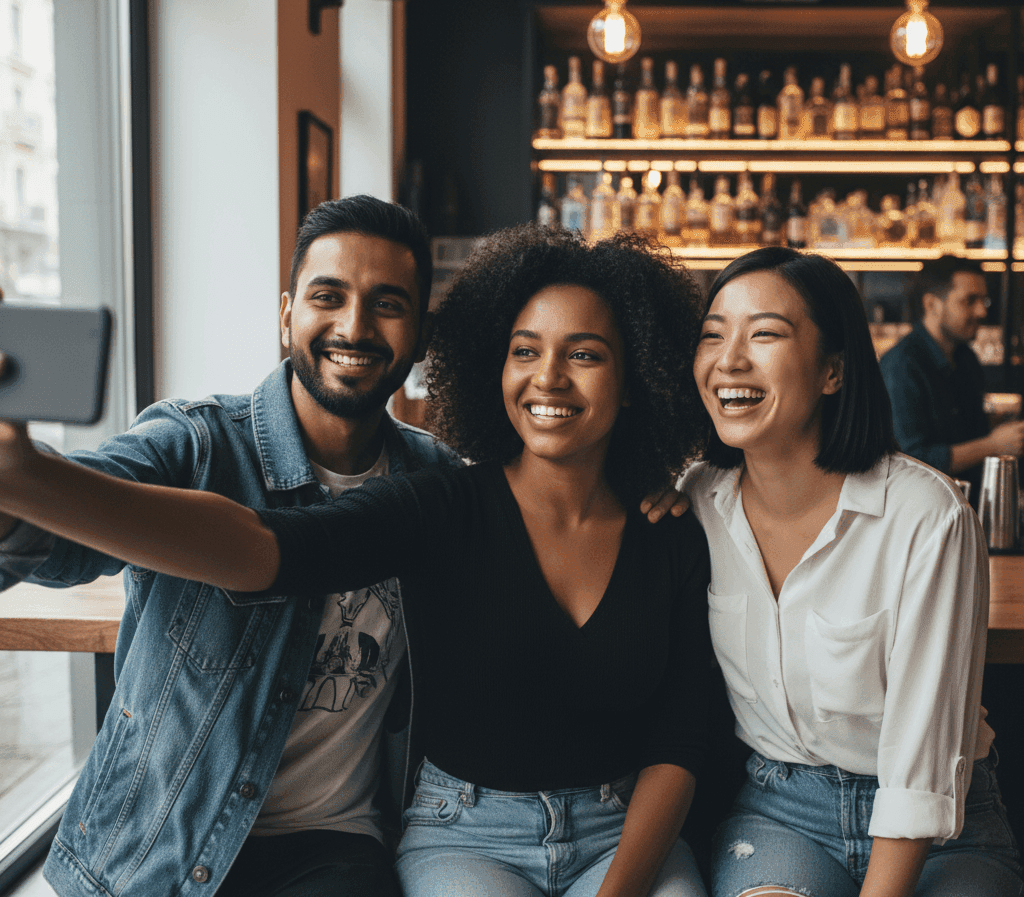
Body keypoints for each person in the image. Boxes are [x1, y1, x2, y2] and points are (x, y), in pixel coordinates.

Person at [0, 226, 713, 897]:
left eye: (584, 354)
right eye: (525, 351)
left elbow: (680, 737)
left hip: (537, 836)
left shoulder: (656, 525)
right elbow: (265, 548)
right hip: (283, 840)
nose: (549, 378)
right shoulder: (419, 497)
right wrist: (29, 478)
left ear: (639, 375)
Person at [0, 196, 462, 897]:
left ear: (421, 333)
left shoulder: (436, 483)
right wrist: (17, 483)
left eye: (387, 304)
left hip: (335, 846)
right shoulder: (197, 442)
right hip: (157, 846)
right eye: (327, 297)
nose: (354, 326)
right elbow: (64, 534)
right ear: (287, 315)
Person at [682, 246, 1021, 897]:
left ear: (834, 371)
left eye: (766, 334)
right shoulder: (696, 501)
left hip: (948, 824)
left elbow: (920, 768)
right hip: (785, 810)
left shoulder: (927, 516)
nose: (729, 360)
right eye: (713, 335)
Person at [879, 254, 1024, 505]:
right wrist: (993, 444)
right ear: (932, 304)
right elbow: (912, 459)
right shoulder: (901, 365)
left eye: (983, 300)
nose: (982, 311)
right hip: (923, 513)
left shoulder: (965, 357)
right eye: (969, 301)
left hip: (966, 505)